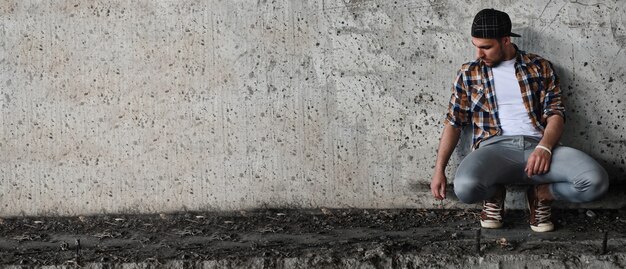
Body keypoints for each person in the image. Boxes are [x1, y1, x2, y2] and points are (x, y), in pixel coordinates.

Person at [430, 8, 609, 232]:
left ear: (505, 40)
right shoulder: (469, 73)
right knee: (465, 188)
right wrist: (439, 170)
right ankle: (494, 194)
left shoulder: (539, 66)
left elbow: (556, 113)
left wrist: (545, 146)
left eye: (485, 47)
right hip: (494, 149)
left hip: (539, 148)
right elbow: (454, 122)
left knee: (596, 182)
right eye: (476, 46)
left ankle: (541, 195)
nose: (478, 54)